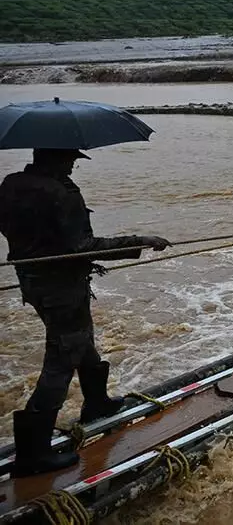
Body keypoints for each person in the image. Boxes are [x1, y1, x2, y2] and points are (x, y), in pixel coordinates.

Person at [0, 149, 171, 476]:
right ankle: (33, 452)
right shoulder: (62, 192)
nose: (73, 166)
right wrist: (142, 240)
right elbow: (82, 247)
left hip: (33, 283)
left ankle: (96, 403)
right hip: (62, 286)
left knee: (77, 340)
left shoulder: (11, 184)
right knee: (62, 359)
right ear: (58, 159)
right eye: (70, 160)